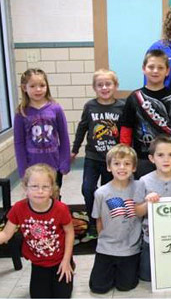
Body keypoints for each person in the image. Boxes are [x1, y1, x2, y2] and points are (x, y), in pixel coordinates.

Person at [0, 164, 74, 298]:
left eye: (45, 187)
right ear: (25, 188)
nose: (40, 191)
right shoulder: (18, 208)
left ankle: (70, 264)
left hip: (60, 260)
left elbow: (69, 232)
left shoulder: (61, 209)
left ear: (52, 190)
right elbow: (5, 234)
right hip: (38, 264)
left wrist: (66, 260)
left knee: (62, 295)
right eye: (34, 186)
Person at [119, 49, 171, 178]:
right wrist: (125, 153)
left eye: (160, 67)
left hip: (169, 158)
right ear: (144, 69)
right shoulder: (134, 98)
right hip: (142, 159)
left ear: (167, 71)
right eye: (151, 67)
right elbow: (126, 127)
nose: (155, 71)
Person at [71, 69, 124, 242]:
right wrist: (75, 149)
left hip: (113, 160)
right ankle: (93, 221)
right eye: (99, 85)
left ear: (115, 86)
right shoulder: (90, 106)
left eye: (108, 84)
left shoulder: (121, 107)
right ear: (94, 87)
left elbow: (125, 131)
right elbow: (82, 128)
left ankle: (110, 221)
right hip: (93, 157)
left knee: (109, 191)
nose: (104, 87)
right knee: (88, 189)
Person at [135, 135, 171, 281]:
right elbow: (137, 212)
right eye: (160, 155)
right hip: (151, 239)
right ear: (151, 158)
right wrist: (148, 203)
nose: (166, 159)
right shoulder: (144, 181)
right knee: (147, 277)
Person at [89, 144, 143, 294]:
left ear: (133, 167)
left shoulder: (140, 186)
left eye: (127, 164)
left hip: (130, 248)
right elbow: (98, 220)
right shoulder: (101, 193)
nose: (122, 167)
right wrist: (103, 241)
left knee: (125, 287)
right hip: (107, 247)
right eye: (117, 163)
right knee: (98, 288)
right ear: (109, 167)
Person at [13, 68, 70, 190]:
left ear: (47, 87)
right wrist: (23, 168)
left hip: (54, 164)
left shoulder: (56, 109)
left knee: (53, 197)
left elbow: (64, 137)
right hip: (32, 166)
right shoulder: (21, 112)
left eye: (42, 85)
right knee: (37, 197)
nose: (38, 90)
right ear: (24, 88)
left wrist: (64, 162)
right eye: (32, 86)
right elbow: (19, 143)